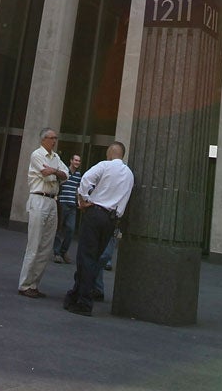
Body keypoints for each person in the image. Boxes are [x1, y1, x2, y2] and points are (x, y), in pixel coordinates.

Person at [64, 141, 134, 317]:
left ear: (110, 153)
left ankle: (83, 302)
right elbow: (124, 200)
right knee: (94, 259)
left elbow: (86, 180)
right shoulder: (129, 174)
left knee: (85, 257)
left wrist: (83, 199)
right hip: (111, 220)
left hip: (95, 213)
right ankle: (76, 294)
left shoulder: (105, 165)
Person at [17, 128, 68, 299]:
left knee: (46, 246)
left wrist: (53, 171)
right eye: (52, 138)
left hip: (52, 200)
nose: (54, 141)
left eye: (56, 138)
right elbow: (47, 177)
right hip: (39, 199)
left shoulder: (56, 157)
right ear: (44, 139)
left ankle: (34, 284)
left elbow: (65, 174)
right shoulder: (36, 154)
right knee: (34, 244)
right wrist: (56, 173)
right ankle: (24, 284)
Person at [52, 153, 82, 264]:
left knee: (70, 229)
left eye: (79, 161)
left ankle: (63, 251)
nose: (77, 162)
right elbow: (58, 184)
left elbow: (78, 189)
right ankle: (57, 253)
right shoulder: (64, 172)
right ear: (71, 161)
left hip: (72, 205)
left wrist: (79, 201)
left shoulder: (78, 175)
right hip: (62, 203)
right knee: (59, 229)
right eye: (75, 160)